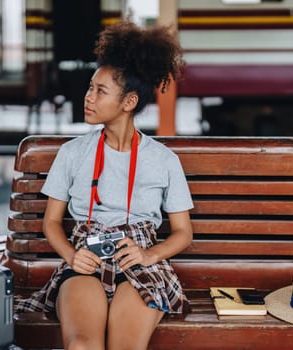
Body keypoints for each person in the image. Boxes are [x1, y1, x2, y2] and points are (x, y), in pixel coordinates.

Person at [16, 20, 193, 350]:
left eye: (100, 91)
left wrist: (148, 253)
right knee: (83, 346)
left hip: (138, 263)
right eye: (89, 88)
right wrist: (72, 256)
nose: (88, 97)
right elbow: (51, 222)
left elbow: (184, 233)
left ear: (128, 102)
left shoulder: (164, 160)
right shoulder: (72, 153)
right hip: (86, 260)